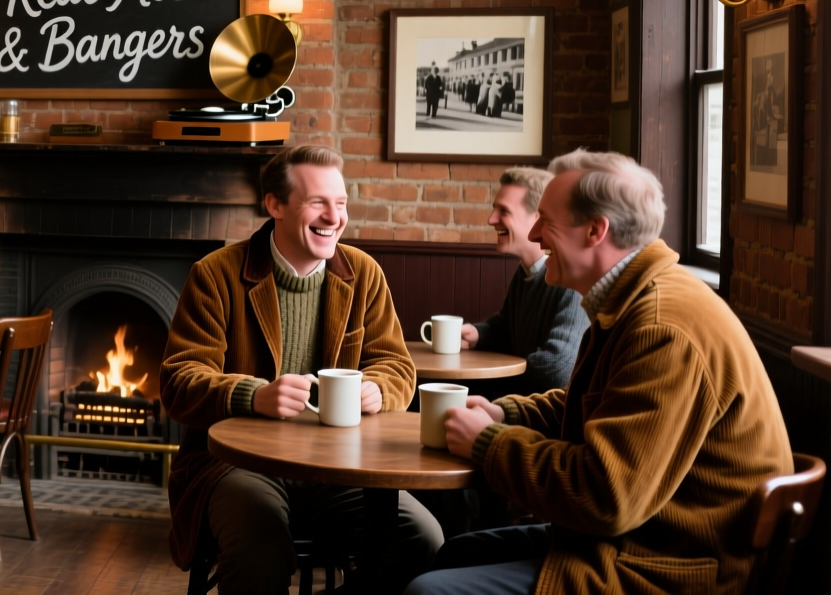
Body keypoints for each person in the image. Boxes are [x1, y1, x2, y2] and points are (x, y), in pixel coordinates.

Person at [407, 150, 793, 594]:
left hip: (667, 568)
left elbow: (607, 496)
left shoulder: (661, 326)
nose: (534, 233)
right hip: (633, 541)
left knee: (427, 591)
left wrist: (488, 444)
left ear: (596, 230)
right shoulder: (631, 299)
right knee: (456, 553)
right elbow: (590, 403)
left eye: (546, 220)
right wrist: (506, 416)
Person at [162, 145, 441, 594]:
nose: (334, 217)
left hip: (340, 468)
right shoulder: (214, 274)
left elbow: (396, 366)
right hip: (235, 465)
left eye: (342, 203)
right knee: (261, 549)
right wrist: (252, 395)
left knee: (421, 539)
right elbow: (179, 379)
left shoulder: (364, 274)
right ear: (275, 205)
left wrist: (379, 390)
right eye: (318, 203)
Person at [459, 167, 586, 399]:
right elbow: (509, 329)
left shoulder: (572, 279)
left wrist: (497, 385)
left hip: (546, 419)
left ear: (539, 217)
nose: (491, 219)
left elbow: (557, 368)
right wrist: (478, 335)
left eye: (503, 211)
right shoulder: (526, 271)